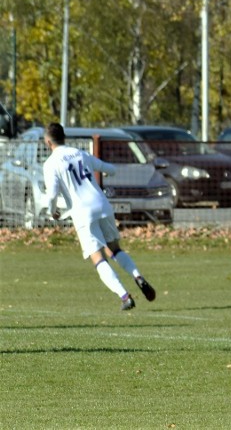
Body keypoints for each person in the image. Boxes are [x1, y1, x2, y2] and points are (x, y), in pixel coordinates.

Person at [42, 122, 156, 310]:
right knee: (115, 249)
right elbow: (109, 168)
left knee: (98, 258)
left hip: (82, 213)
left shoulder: (51, 163)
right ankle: (137, 275)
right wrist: (105, 174)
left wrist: (52, 211)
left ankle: (125, 296)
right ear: (64, 137)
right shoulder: (80, 153)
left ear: (48, 142)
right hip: (102, 205)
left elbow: (52, 194)